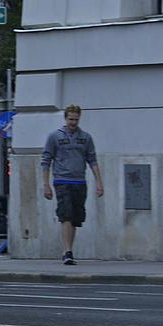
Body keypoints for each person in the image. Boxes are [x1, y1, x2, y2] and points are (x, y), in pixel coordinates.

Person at [40, 103, 103, 265]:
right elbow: (46, 161)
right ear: (65, 118)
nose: (73, 122)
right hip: (62, 181)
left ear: (79, 118)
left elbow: (92, 160)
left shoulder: (86, 138)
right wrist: (45, 184)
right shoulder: (54, 137)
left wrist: (99, 182)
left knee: (76, 218)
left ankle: (69, 250)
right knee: (66, 214)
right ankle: (67, 251)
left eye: (75, 119)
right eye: (70, 119)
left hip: (79, 181)